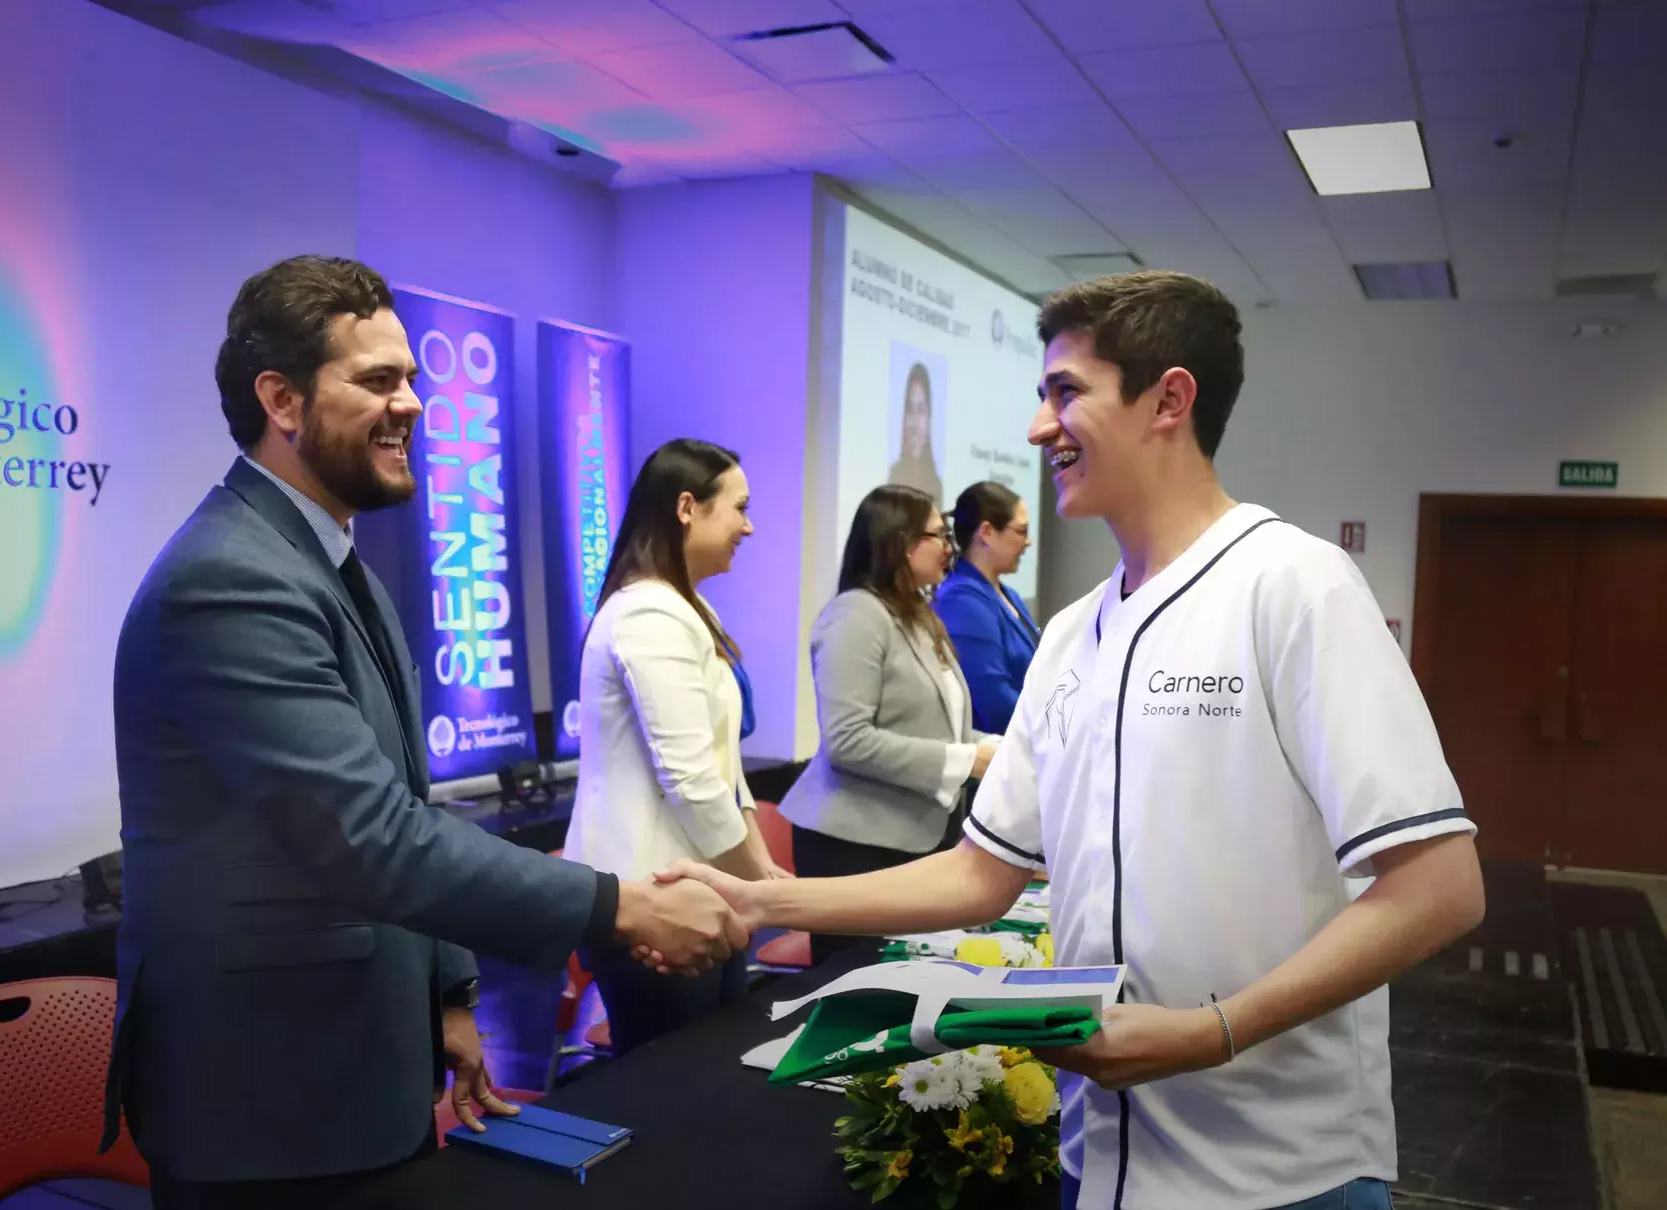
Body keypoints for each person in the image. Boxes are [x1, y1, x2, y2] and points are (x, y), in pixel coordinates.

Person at [653, 271, 1486, 1210]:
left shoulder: (1295, 587)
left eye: (1066, 393)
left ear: (1170, 399)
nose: (1039, 428)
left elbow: (1439, 887)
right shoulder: (1072, 633)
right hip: (1101, 1159)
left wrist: (1209, 1032)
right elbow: (982, 875)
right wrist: (767, 900)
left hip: (1280, 1172)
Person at [102, 256, 745, 1209]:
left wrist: (445, 994)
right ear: (279, 399)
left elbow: (399, 796)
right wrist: (624, 908)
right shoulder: (231, 582)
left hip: (361, 1058)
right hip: (268, 1099)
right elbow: (369, 838)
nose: (412, 404)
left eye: (411, 377)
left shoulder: (329, 559)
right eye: (376, 381)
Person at [561, 438, 787, 1055]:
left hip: (700, 885)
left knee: (713, 1062)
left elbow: (723, 766)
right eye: (738, 507)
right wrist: (761, 885)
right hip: (649, 891)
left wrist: (758, 869)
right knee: (675, 1076)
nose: (749, 525)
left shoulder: (687, 607)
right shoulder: (648, 614)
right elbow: (689, 778)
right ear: (688, 506)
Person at [778, 484, 998, 963]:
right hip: (853, 846)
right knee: (859, 995)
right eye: (938, 536)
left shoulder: (917, 614)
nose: (950, 548)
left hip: (911, 840)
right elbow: (848, 740)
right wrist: (967, 760)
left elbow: (943, 728)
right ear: (899, 541)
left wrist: (1000, 749)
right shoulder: (856, 615)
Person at [934, 481, 1041, 734]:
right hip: (993, 760)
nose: (1028, 542)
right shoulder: (960, 601)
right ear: (987, 533)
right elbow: (994, 703)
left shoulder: (1009, 595)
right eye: (1021, 531)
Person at [887, 361, 943, 502]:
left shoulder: (936, 483)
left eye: (921, 410)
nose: (915, 423)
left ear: (929, 418)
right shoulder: (894, 474)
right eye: (910, 410)